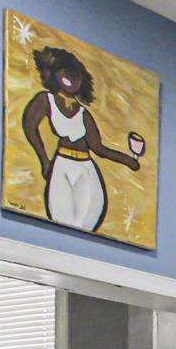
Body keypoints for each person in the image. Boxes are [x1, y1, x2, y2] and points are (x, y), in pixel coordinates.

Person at [21, 46, 141, 232]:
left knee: (87, 219)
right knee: (61, 217)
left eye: (74, 74)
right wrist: (44, 160)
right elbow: (30, 127)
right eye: (64, 70)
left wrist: (129, 161)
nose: (69, 77)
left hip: (85, 169)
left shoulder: (83, 114)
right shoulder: (46, 100)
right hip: (62, 165)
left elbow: (98, 148)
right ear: (54, 73)